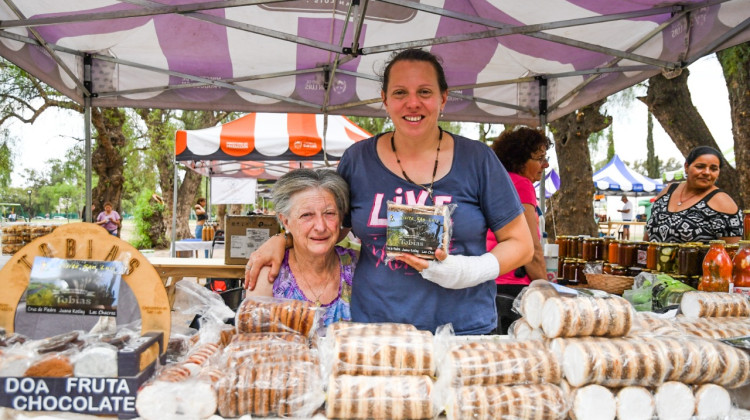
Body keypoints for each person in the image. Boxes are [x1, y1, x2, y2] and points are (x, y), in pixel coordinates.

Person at [245, 48, 533, 335]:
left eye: (424, 92)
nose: (412, 103)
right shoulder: (358, 160)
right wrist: (282, 239)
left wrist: (463, 272)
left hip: (463, 330)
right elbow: (332, 226)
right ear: (384, 99)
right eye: (399, 93)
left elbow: (521, 245)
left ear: (443, 98)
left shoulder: (478, 159)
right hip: (377, 330)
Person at [244, 168, 356, 327]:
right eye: (307, 215)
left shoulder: (358, 267)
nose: (320, 226)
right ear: (286, 221)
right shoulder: (268, 276)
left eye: (329, 213)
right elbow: (255, 343)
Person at [489, 127, 552, 298]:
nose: (545, 165)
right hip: (513, 283)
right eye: (539, 159)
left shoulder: (495, 181)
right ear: (519, 161)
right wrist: (547, 289)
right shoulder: (522, 185)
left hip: (489, 278)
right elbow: (531, 246)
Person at [645, 146, 742, 243]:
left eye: (713, 169)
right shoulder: (668, 191)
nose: (706, 172)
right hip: (653, 257)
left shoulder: (723, 203)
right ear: (686, 167)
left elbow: (732, 252)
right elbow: (648, 234)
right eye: (700, 167)